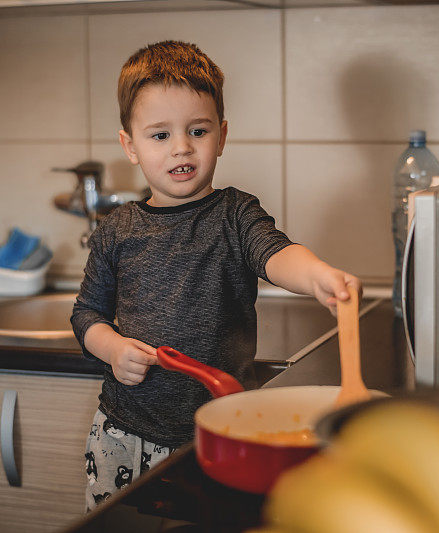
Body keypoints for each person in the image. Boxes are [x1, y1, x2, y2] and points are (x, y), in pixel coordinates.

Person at [71, 40, 361, 511]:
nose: (182, 147)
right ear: (130, 146)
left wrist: (318, 276)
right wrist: (112, 347)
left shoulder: (235, 213)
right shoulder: (117, 229)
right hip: (122, 432)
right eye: (160, 135)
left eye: (198, 130)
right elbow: (86, 314)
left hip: (221, 432)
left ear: (221, 136)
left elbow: (277, 254)